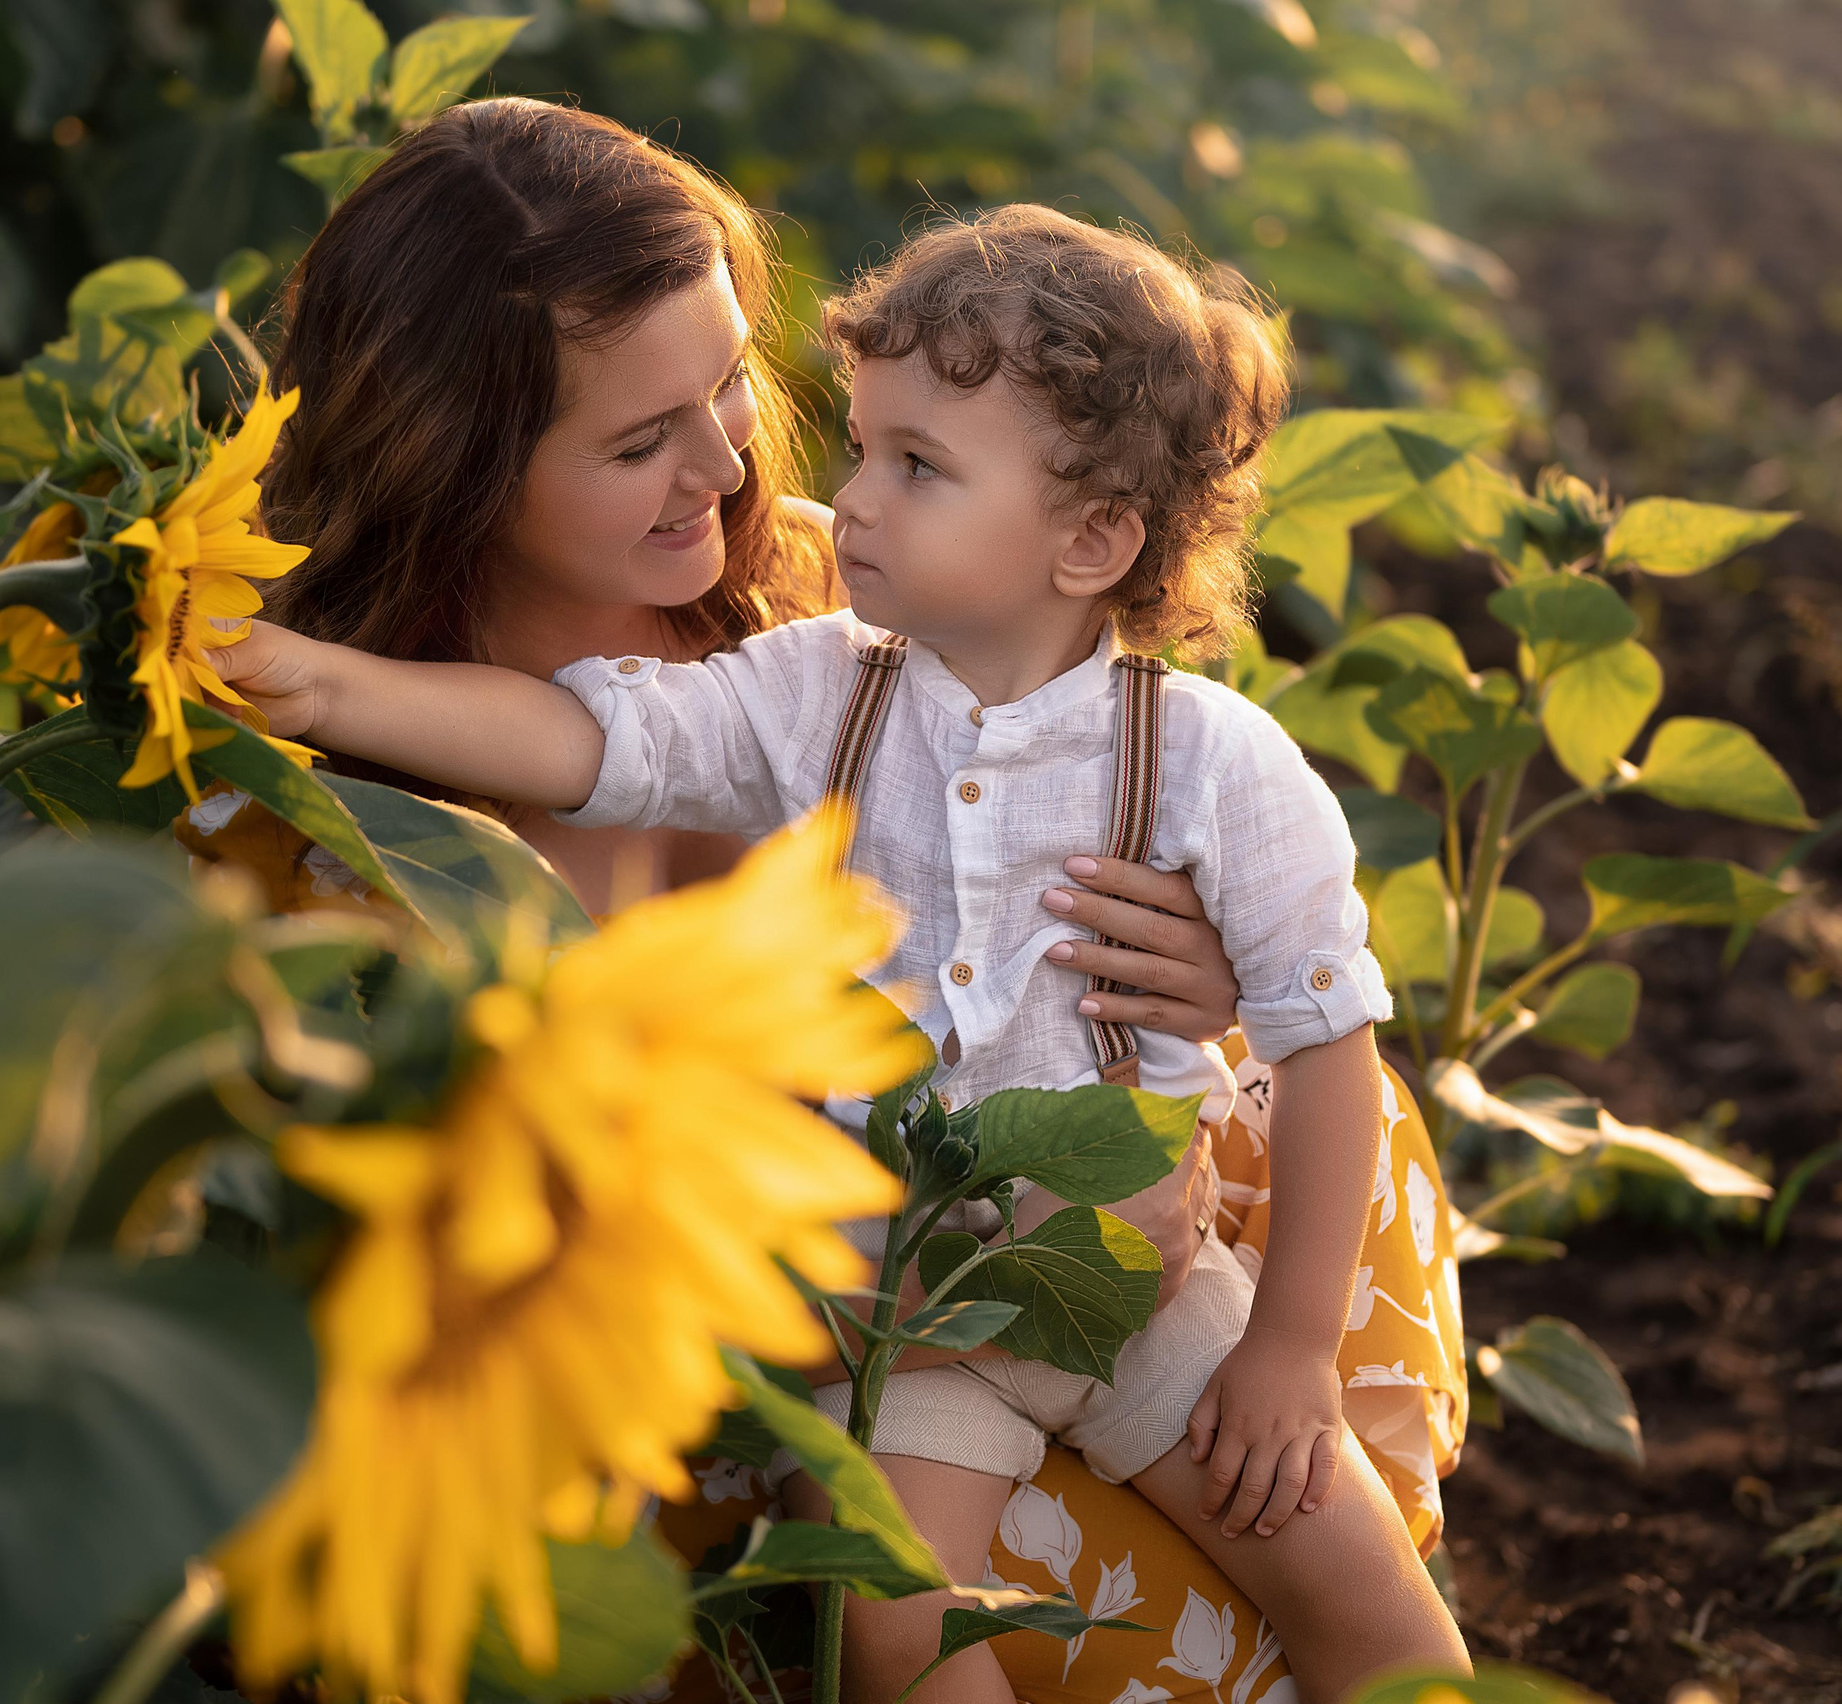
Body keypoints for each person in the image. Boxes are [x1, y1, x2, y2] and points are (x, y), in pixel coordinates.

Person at [148, 98, 1466, 1703]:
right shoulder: (334, 848)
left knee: (1313, 1498)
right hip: (793, 1372)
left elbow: (1188, 846)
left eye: (727, 389)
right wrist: (316, 687)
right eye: (640, 440)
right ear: (456, 460)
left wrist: (1201, 970)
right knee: (894, 1615)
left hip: (1130, 1260)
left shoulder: (835, 586)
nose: (725, 467)